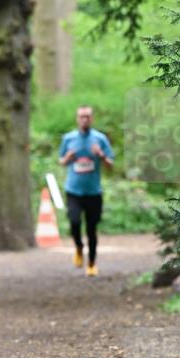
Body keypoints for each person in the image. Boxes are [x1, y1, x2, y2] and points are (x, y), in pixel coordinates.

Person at [58, 105, 114, 277]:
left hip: (93, 192)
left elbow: (110, 166)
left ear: (92, 118)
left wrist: (101, 155)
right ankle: (78, 247)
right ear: (77, 119)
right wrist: (68, 158)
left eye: (88, 116)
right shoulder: (69, 138)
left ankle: (91, 263)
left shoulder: (100, 139)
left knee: (91, 229)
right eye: (82, 116)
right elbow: (61, 161)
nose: (85, 119)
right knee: (74, 223)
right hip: (73, 190)